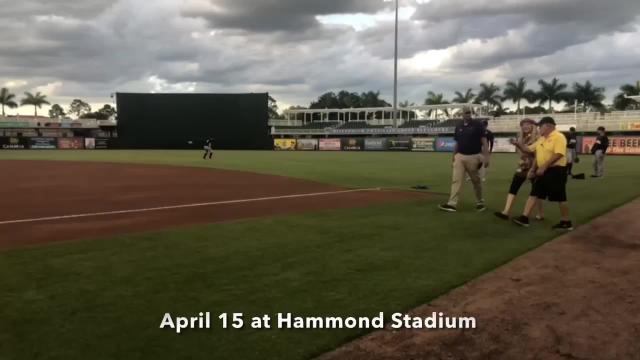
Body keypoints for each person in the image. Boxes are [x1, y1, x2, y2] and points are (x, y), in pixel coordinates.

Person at [511, 117, 573, 230]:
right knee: (534, 193)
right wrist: (517, 144)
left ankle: (566, 221)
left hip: (556, 170)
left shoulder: (558, 137)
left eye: (540, 126)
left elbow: (559, 154)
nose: (538, 128)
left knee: (561, 197)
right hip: (543, 171)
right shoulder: (542, 139)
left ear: (548, 126)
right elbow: (528, 150)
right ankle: (524, 218)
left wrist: (544, 166)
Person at [439, 108, 491, 212]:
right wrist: (453, 156)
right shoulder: (458, 126)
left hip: (474, 156)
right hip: (460, 156)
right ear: (461, 114)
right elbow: (457, 142)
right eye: (465, 113)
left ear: (471, 114)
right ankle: (452, 204)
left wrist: (486, 157)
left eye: (469, 113)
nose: (467, 114)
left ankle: (480, 201)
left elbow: (484, 141)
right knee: (456, 180)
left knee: (476, 181)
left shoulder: (477, 124)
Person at [494, 119, 544, 220]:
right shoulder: (521, 138)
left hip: (535, 166)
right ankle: (506, 212)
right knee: (514, 187)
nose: (525, 126)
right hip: (523, 167)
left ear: (533, 126)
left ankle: (540, 214)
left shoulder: (539, 138)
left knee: (536, 191)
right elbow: (522, 154)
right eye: (523, 125)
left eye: (528, 124)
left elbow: (537, 154)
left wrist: (532, 167)